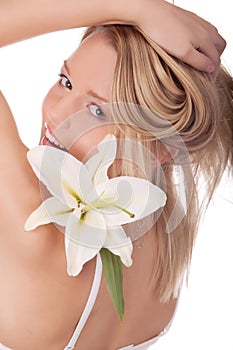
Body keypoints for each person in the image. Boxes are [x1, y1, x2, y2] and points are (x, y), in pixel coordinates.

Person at [0, 1, 231, 350]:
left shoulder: (30, 219)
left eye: (96, 110)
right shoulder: (162, 245)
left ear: (160, 147)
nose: (56, 113)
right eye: (66, 81)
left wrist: (134, 7)